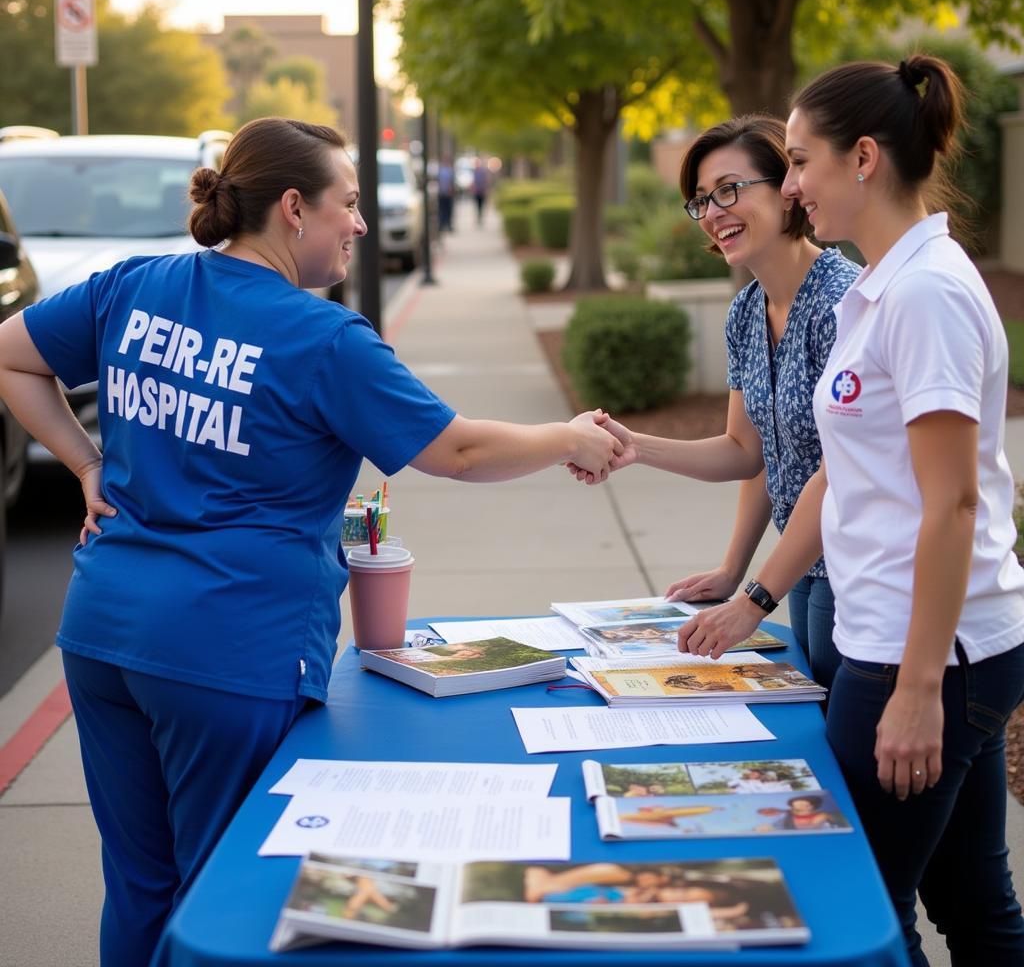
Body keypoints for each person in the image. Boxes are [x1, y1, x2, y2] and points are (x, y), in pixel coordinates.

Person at [0, 117, 622, 967]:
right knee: (228, 895)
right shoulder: (324, 339)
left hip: (103, 634)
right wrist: (567, 437)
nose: (362, 224)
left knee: (142, 885)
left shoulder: (135, 286)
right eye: (350, 204)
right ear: (294, 208)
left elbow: (12, 356)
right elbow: (458, 451)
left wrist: (85, 463)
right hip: (226, 651)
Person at [678, 56, 1024, 966]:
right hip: (920, 643)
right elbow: (844, 474)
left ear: (862, 158)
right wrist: (749, 597)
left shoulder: (927, 294)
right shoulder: (882, 291)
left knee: (850, 917)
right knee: (973, 902)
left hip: (921, 654)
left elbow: (952, 505)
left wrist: (916, 690)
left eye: (798, 162)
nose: (791, 185)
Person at [570, 115, 861, 690]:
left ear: (788, 188)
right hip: (799, 570)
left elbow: (842, 474)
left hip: (855, 570)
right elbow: (748, 453)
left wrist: (754, 596)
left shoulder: (845, 304)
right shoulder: (748, 311)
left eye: (729, 190)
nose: (712, 212)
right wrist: (636, 447)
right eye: (701, 200)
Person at [436, 157, 455, 233]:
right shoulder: (441, 171)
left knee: (448, 210)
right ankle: (442, 225)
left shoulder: (449, 171)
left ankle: (447, 225)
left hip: (447, 194)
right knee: (442, 210)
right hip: (442, 194)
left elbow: (452, 182)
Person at [471, 158, 490, 224]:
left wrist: (486, 189)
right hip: (476, 192)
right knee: (477, 205)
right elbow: (473, 182)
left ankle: (480, 217)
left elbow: (486, 181)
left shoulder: (483, 172)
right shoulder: (474, 172)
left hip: (482, 191)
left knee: (481, 205)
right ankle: (478, 217)